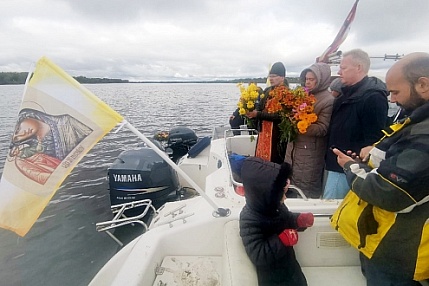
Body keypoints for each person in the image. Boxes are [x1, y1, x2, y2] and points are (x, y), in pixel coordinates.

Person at [330, 52, 429, 285]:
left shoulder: (424, 132)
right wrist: (371, 155)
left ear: (423, 84)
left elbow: (389, 190)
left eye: (395, 92)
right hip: (385, 242)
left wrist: (350, 166)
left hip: (397, 252)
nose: (392, 100)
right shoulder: (416, 122)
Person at [323, 49, 389, 199]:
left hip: (349, 167)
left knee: (331, 205)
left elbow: (374, 139)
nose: (339, 72)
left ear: (359, 67)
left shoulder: (373, 97)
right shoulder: (346, 94)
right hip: (337, 162)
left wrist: (358, 163)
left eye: (343, 68)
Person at [239, 156, 314, 286]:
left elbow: (286, 219)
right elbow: (257, 254)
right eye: (282, 194)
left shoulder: (275, 205)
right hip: (271, 278)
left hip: (289, 267)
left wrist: (298, 220)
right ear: (266, 195)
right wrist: (282, 240)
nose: (284, 198)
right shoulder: (249, 219)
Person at [284, 63, 334, 198]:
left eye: (311, 79)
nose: (307, 82)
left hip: (310, 152)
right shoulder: (302, 95)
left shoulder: (328, 100)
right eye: (306, 79)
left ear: (321, 79)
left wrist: (302, 125)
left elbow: (323, 128)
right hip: (294, 148)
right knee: (290, 182)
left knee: (306, 186)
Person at [246, 62, 288, 163]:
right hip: (264, 131)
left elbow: (281, 116)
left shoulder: (287, 93)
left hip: (277, 135)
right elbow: (260, 107)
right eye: (270, 76)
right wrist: (251, 112)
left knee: (274, 161)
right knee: (261, 159)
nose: (271, 79)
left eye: (274, 76)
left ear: (282, 77)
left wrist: (258, 114)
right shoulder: (267, 91)